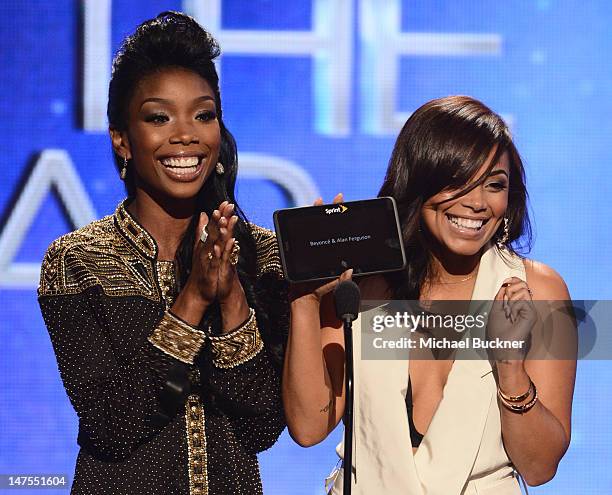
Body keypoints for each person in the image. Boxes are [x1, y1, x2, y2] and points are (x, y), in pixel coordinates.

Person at [38, 12, 288, 495]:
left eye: (203, 114)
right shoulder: (77, 262)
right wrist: (193, 300)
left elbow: (262, 429)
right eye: (159, 117)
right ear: (121, 139)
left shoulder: (262, 254)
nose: (186, 134)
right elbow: (112, 427)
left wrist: (233, 299)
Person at [283, 96, 576, 494]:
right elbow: (308, 427)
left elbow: (540, 468)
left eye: (494, 185)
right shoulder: (363, 286)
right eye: (457, 181)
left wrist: (509, 366)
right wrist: (305, 299)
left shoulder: (540, 291)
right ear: (417, 183)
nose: (476, 203)